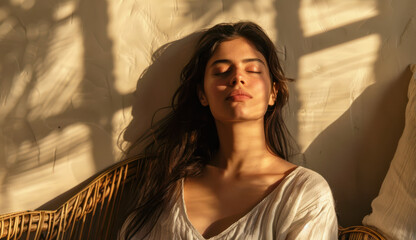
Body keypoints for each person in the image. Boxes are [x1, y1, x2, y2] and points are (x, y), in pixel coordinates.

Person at [119, 21, 338, 240]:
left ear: (274, 92)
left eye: (252, 70)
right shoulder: (166, 191)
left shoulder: (303, 193)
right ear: (202, 94)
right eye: (222, 71)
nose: (237, 78)